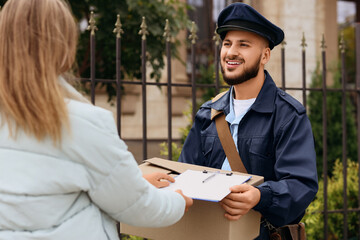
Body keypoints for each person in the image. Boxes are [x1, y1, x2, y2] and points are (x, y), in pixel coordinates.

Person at [0, 0, 192, 239]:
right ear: (64, 43)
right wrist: (177, 202)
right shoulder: (83, 122)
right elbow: (139, 206)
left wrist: (137, 180)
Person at [178, 2, 318, 239]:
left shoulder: (288, 116)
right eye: (227, 43)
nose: (231, 52)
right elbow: (186, 175)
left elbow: (301, 186)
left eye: (244, 44)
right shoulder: (207, 114)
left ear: (265, 55)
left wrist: (260, 196)